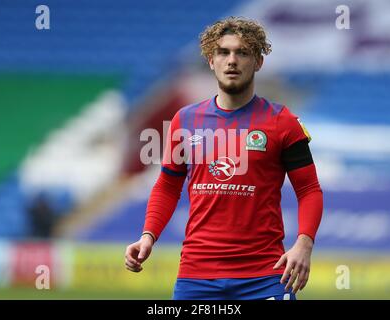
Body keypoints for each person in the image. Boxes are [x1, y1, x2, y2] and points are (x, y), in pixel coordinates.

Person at [125, 16, 323, 300]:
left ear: (258, 62)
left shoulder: (283, 122)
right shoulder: (185, 120)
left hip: (266, 275)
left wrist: (304, 244)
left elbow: (309, 189)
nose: (232, 60)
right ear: (210, 61)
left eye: (242, 52)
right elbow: (168, 185)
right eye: (223, 52)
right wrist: (148, 235)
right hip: (197, 276)